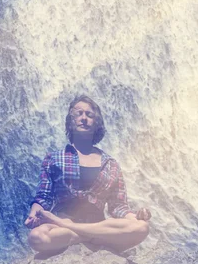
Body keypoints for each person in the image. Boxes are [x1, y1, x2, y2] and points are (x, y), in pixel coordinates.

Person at [25, 95, 151, 253]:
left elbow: (118, 206)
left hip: (98, 224)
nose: (84, 118)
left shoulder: (111, 165)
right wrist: (33, 213)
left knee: (141, 227)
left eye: (89, 115)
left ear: (96, 123)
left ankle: (76, 232)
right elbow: (43, 197)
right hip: (65, 221)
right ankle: (88, 236)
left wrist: (135, 216)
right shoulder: (54, 159)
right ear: (70, 121)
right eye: (78, 113)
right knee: (36, 237)